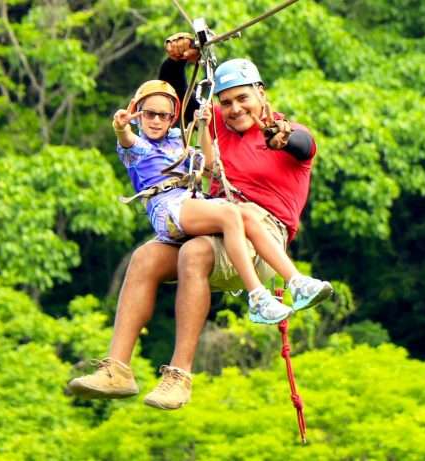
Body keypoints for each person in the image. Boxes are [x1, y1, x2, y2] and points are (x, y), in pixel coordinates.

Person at [67, 34, 325, 410]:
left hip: (261, 233)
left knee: (195, 252)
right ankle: (117, 369)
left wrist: (282, 137)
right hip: (216, 218)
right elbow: (173, 105)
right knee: (145, 258)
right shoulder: (216, 126)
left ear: (261, 95)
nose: (235, 109)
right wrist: (176, 61)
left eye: (243, 99)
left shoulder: (288, 132)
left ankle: (179, 375)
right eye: (227, 102)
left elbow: (301, 144)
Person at [108, 79, 331, 324]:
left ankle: (297, 282)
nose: (156, 121)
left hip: (190, 201)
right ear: (137, 113)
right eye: (149, 114)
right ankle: (257, 295)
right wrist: (121, 128)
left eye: (163, 115)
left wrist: (203, 124)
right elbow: (127, 139)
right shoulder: (139, 145)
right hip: (169, 208)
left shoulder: (174, 138)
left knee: (242, 212)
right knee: (230, 214)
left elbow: (208, 161)